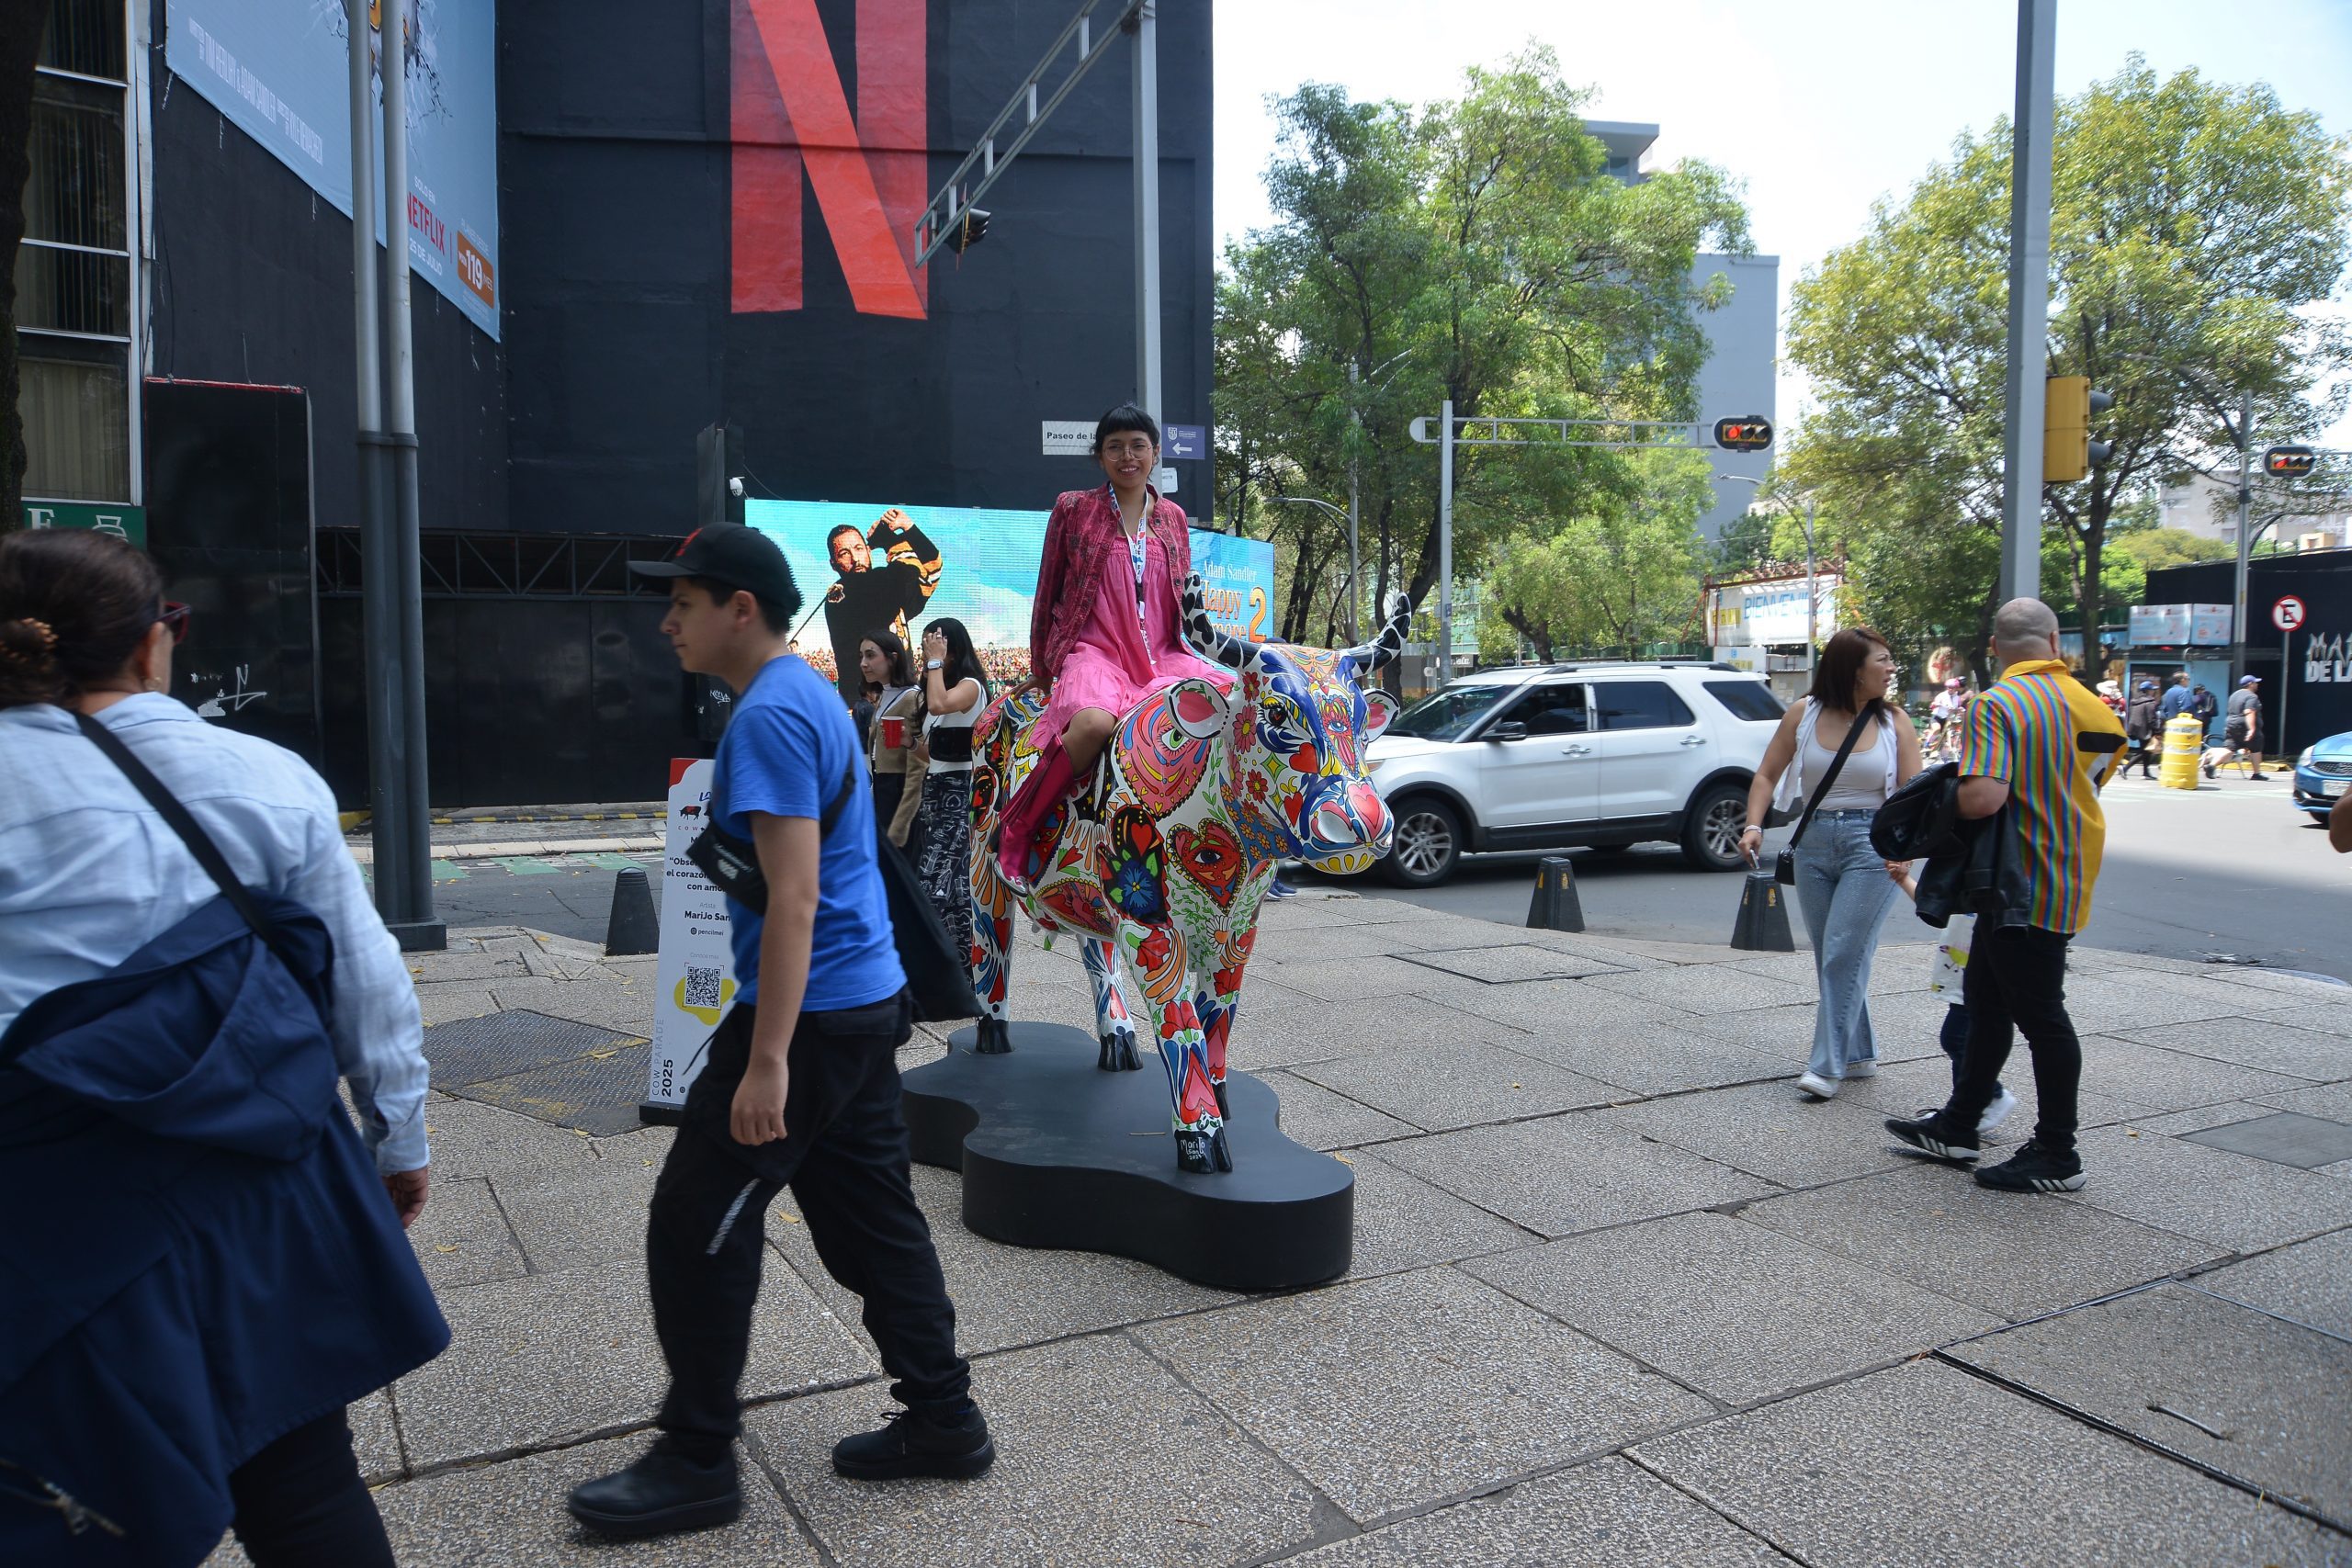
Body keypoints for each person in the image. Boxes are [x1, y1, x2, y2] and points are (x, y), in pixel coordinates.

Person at [0, 528, 443, 1566]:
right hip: (263, 1169)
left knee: (68, 1498)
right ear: (154, 643)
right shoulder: (259, 773)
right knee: (302, 1477)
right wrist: (398, 1141)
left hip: (52, 1210)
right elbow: (364, 985)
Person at [572, 525, 989, 1540]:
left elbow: (794, 899)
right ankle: (944, 1419)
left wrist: (765, 1063)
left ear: (739, 609)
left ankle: (698, 1457)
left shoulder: (767, 715)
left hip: (804, 1020)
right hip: (860, 1004)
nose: (668, 620)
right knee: (872, 1222)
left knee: (695, 1218)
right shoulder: (804, 695)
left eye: (683, 602)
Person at [1888, 597, 2124, 1192]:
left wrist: (1948, 790)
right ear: (2054, 641)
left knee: (2042, 1015)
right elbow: (2092, 781)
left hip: (2018, 881)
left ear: (1995, 648)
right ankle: (1959, 1124)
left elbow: (1984, 797)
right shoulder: (2094, 705)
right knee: (1986, 998)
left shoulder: (2000, 702)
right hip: (2066, 872)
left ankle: (2057, 1153)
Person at [992, 403, 1236, 888]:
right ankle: (1017, 828)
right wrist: (1043, 663)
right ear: (1100, 456)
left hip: (1163, 651)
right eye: (1115, 446)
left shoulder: (1172, 517)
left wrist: (1211, 653)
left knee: (1234, 700)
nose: (1128, 456)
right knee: (1093, 723)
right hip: (1096, 649)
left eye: (1138, 446)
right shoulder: (1073, 508)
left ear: (1156, 453)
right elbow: (1048, 589)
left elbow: (1185, 598)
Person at [1740, 626, 1925, 1099]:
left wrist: (1903, 851)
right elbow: (1767, 774)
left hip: (1873, 844)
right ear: (1853, 669)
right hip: (1814, 842)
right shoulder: (1804, 713)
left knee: (1844, 950)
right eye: (1881, 660)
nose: (1890, 669)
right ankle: (1858, 1051)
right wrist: (1754, 825)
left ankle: (1826, 1066)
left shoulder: (1894, 722)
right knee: (1832, 955)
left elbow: (1914, 797)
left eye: (1890, 660)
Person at [1887, 864, 2018, 1134]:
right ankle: (1964, 1107)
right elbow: (1937, 908)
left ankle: (1992, 1095)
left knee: (1957, 1038)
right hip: (1961, 974)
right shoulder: (1967, 879)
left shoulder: (1990, 881)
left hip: (1976, 975)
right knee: (1965, 1040)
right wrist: (1903, 880)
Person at [912, 617, 989, 967]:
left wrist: (933, 663)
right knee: (956, 889)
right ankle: (961, 972)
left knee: (931, 880)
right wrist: (909, 743)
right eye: (926, 646)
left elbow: (941, 704)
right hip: (936, 790)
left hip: (961, 792)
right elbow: (935, 753)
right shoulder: (935, 688)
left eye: (937, 645)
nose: (930, 652)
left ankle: (922, 967)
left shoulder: (970, 686)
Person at [821, 508, 942, 705]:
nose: (855, 558)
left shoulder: (888, 592)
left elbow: (932, 570)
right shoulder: (842, 592)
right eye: (844, 553)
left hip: (902, 701)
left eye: (859, 548)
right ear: (834, 564)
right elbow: (908, 570)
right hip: (866, 705)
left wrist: (910, 528)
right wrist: (888, 539)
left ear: (869, 551)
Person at [860, 630, 927, 854]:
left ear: (893, 657)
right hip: (883, 783)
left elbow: (917, 767)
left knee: (901, 856)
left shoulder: (913, 697)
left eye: (870, 655)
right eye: (862, 656)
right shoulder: (882, 696)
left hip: (901, 786)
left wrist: (903, 820)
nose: (863, 663)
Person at [2207, 674, 2268, 780]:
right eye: (2255, 682)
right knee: (2256, 748)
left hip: (2231, 723)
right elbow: (2249, 712)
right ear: (2250, 684)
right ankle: (2256, 773)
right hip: (2244, 724)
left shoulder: (2234, 695)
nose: (2257, 684)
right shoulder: (2251, 696)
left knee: (2230, 748)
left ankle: (2212, 765)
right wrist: (2251, 729)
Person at [2123, 679, 2163, 779]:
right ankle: (2125, 768)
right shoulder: (2149, 703)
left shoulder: (2135, 702)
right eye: (2152, 690)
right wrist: (2157, 731)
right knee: (2145, 751)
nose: (2153, 691)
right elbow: (2151, 719)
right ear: (2148, 691)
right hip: (2146, 730)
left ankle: (2145, 773)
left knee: (2145, 750)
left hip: (2136, 729)